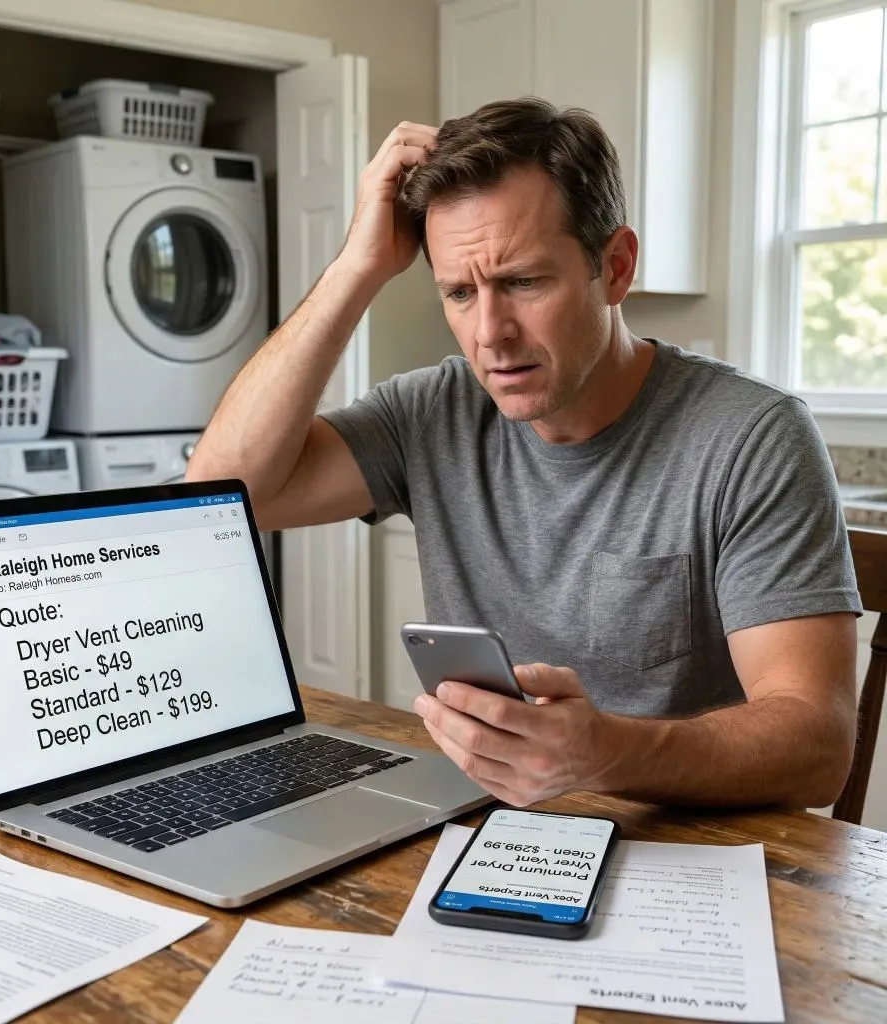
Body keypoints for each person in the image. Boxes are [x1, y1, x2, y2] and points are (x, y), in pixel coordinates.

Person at [187, 98, 860, 811]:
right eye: (459, 292)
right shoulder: (433, 412)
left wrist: (603, 752)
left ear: (616, 267)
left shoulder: (752, 436)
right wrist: (357, 266)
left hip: (686, 843)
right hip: (490, 825)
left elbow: (817, 746)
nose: (490, 332)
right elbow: (219, 497)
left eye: (523, 282)